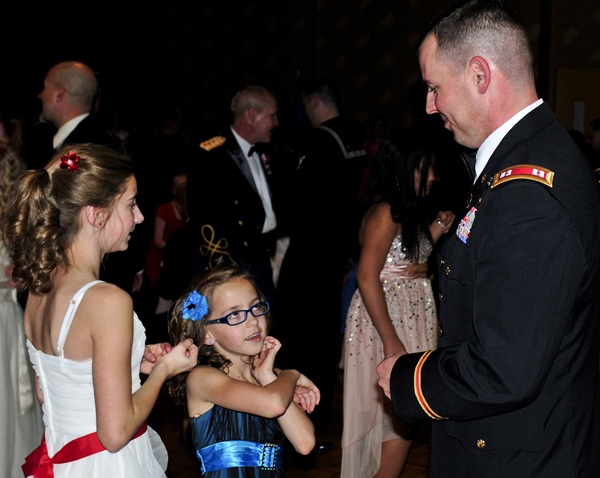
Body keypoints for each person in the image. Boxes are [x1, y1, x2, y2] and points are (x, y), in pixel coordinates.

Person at [376, 1, 600, 477]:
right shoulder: (528, 156)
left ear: (479, 74)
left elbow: (505, 368)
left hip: (516, 457)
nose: (429, 106)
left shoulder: (528, 193)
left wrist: (408, 378)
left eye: (435, 87)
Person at [0, 143, 199, 477]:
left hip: (63, 462)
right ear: (95, 214)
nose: (140, 216)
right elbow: (115, 433)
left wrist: (130, 360)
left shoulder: (39, 288)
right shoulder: (107, 300)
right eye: (131, 204)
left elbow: (50, 388)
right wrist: (164, 370)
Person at [342, 129, 454, 478]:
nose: (433, 177)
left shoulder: (406, 211)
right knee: (399, 420)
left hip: (408, 314)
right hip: (387, 320)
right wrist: (391, 341)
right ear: (404, 167)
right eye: (425, 168)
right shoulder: (385, 212)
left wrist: (437, 227)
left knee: (402, 419)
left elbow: (407, 260)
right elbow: (367, 276)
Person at [275, 75, 366, 435]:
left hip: (310, 252)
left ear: (314, 102)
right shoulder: (355, 138)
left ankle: (298, 411)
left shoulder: (319, 141)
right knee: (325, 334)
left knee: (298, 335)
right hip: (337, 251)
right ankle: (320, 410)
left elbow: (301, 201)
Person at [166, 264, 319, 476]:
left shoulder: (270, 380)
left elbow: (305, 443)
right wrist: (291, 375)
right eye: (235, 315)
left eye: (256, 307)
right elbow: (274, 404)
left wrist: (268, 376)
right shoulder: (202, 378)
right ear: (207, 333)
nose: (253, 321)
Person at [177, 85, 281, 314]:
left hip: (261, 258)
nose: (276, 123)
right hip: (229, 262)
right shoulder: (210, 153)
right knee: (224, 325)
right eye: (272, 115)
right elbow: (202, 216)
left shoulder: (267, 150)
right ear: (252, 115)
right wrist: (223, 272)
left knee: (266, 323)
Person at [0, 143, 44, 477]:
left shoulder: (16, 223)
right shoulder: (15, 222)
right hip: (9, 317)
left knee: (10, 399)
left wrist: (18, 275)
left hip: (8, 318)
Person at [21, 60, 122, 170]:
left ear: (59, 96)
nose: (40, 95)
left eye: (45, 87)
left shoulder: (98, 150)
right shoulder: (38, 137)